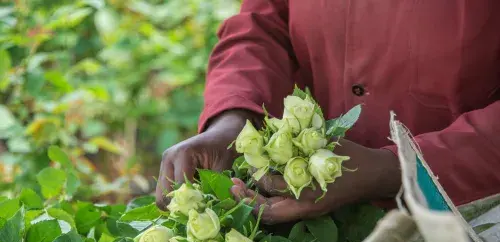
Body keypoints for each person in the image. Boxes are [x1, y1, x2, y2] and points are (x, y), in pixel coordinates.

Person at [156, 1, 500, 224]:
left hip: (473, 230)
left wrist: (395, 169)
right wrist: (232, 118)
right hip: (320, 222)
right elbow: (263, 25)